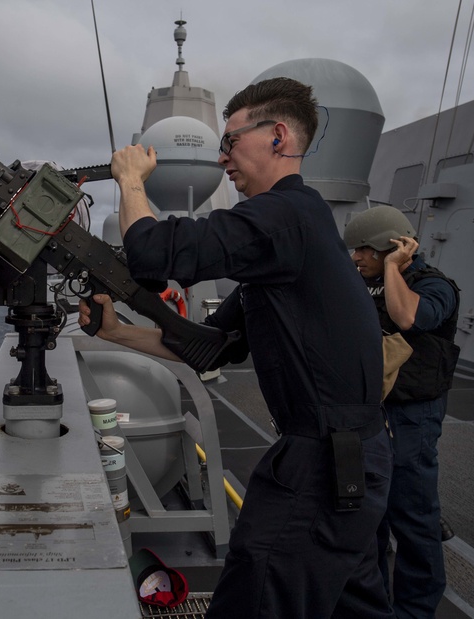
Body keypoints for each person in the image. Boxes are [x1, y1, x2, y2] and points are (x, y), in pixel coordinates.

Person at [79, 77, 393, 617]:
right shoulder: (288, 236)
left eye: (230, 141)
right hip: (349, 461)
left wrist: (131, 182)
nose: (223, 157)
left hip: (321, 465)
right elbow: (214, 347)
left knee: (256, 597)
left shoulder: (285, 215)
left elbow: (155, 253)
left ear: (277, 136)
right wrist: (117, 333)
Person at [345, 206, 460, 618]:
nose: (356, 258)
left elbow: (408, 316)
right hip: (369, 412)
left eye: (364, 250)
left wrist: (393, 267)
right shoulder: (363, 282)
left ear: (393, 247)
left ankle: (415, 611)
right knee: (368, 518)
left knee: (413, 519)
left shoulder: (434, 286)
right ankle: (373, 606)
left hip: (413, 416)